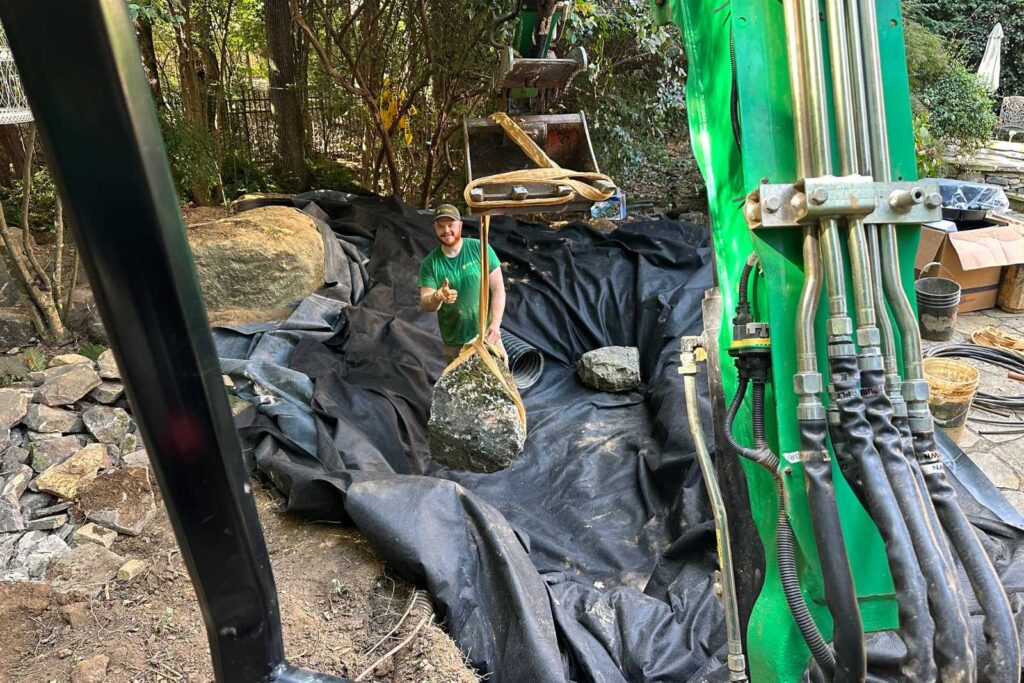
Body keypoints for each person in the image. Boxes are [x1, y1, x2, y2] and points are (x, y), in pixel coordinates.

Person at [418, 204, 507, 365]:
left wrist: (495, 324)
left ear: (460, 225)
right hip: (455, 343)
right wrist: (437, 296)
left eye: (451, 225)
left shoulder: (480, 248)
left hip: (487, 335)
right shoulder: (430, 264)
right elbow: (426, 302)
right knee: (462, 381)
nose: (446, 230)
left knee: (498, 378)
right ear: (434, 228)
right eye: (440, 226)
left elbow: (498, 289)